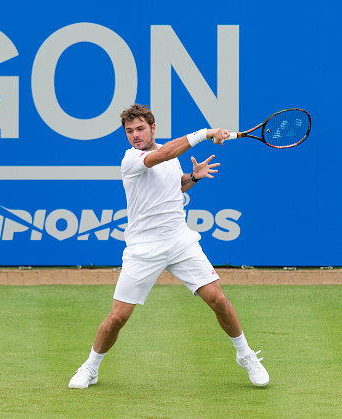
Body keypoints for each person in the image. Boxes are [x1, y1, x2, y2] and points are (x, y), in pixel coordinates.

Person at [68, 104, 269, 389]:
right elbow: (164, 154)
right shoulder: (132, 159)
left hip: (179, 241)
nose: (135, 135)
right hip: (142, 248)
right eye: (129, 131)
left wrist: (194, 177)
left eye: (140, 129)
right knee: (117, 318)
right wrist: (207, 132)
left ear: (152, 128)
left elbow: (174, 187)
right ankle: (90, 367)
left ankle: (245, 355)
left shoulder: (170, 156)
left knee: (218, 299)